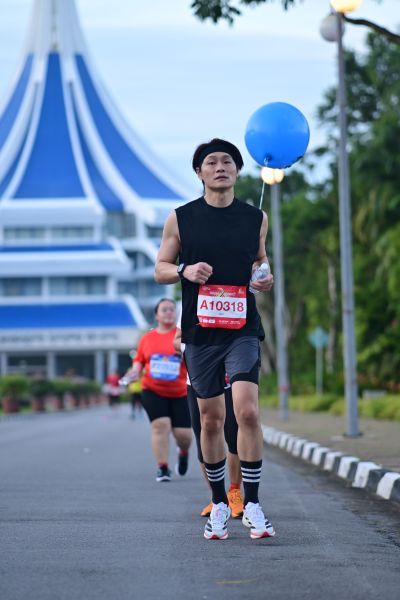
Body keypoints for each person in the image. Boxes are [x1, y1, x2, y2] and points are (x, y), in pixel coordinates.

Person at [155, 138, 276, 540]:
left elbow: (259, 260)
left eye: (228, 161)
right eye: (211, 162)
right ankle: (220, 503)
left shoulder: (255, 217)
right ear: (199, 172)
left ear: (237, 171)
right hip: (200, 332)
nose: (220, 167)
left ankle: (253, 504)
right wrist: (184, 271)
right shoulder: (181, 218)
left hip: (242, 328)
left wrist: (263, 275)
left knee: (247, 411)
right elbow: (160, 268)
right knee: (210, 419)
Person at [173, 326, 243, 519]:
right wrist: (194, 347)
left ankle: (235, 492)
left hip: (230, 379)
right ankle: (217, 497)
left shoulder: (235, 305)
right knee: (204, 437)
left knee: (233, 436)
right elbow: (176, 340)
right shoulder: (190, 308)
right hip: (198, 379)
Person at [126, 298, 192, 482]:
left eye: (172, 309)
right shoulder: (147, 338)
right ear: (156, 315)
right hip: (153, 389)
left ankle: (183, 452)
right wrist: (135, 372)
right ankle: (163, 467)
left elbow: (195, 359)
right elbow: (139, 360)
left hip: (181, 392)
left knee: (184, 435)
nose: (169, 312)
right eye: (164, 309)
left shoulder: (183, 336)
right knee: (160, 426)